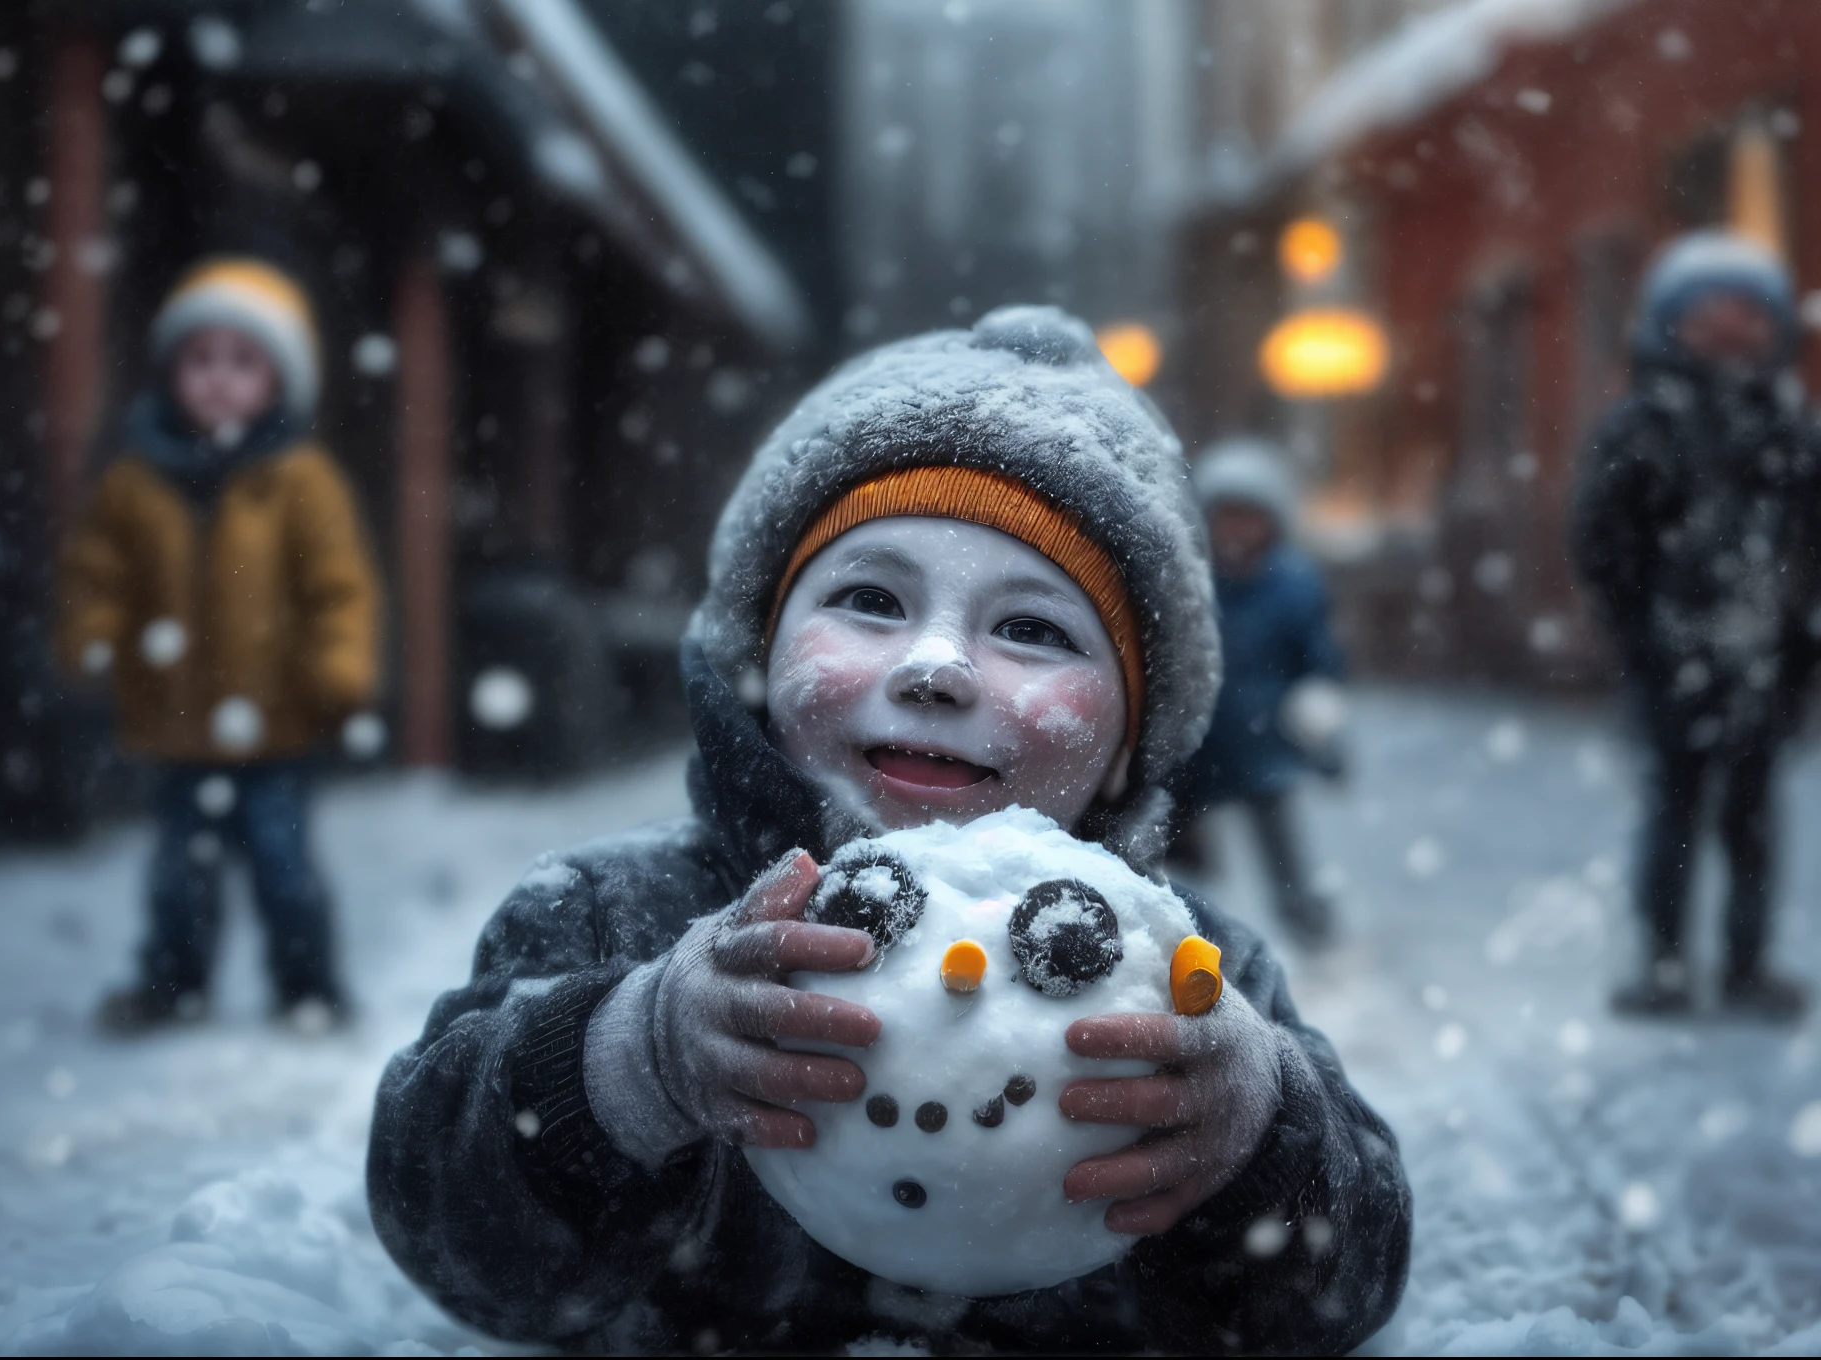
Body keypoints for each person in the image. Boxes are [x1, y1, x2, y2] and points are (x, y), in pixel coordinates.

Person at [367, 309, 1410, 1353]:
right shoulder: (615, 916)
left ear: (1128, 743)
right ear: (758, 661)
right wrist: (631, 1062)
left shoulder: (1191, 977)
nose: (936, 667)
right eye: (869, 599)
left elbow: (1335, 1298)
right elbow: (447, 1225)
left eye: (1031, 629)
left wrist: (1256, 1138)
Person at [58, 257, 382, 1034]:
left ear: (279, 382)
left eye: (243, 362)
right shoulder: (136, 483)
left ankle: (307, 986)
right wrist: (94, 631)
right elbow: (97, 571)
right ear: (171, 373)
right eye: (200, 360)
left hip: (277, 722)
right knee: (179, 876)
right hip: (174, 722)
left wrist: (340, 661)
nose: (218, 379)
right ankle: (174, 983)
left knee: (285, 870)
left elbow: (338, 585)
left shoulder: (301, 481)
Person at [1571, 230, 1820, 1021]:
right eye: (1710, 309)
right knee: (1674, 810)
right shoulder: (1643, 424)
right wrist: (1642, 624)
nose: (1731, 325)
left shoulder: (1790, 424)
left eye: (1750, 309)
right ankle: (1666, 960)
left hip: (1767, 657)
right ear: (1671, 323)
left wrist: (1798, 628)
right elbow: (1603, 537)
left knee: (1752, 819)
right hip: (1672, 652)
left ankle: (1746, 962)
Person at [1166, 438, 1348, 949]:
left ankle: (1315, 937)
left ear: (1274, 522)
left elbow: (1319, 659)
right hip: (1193, 748)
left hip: (1264, 744)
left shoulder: (1293, 586)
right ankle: (1180, 941)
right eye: (1226, 517)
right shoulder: (1186, 582)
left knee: (1284, 857)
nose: (1238, 531)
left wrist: (1324, 723)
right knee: (1171, 854)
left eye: (1251, 517)